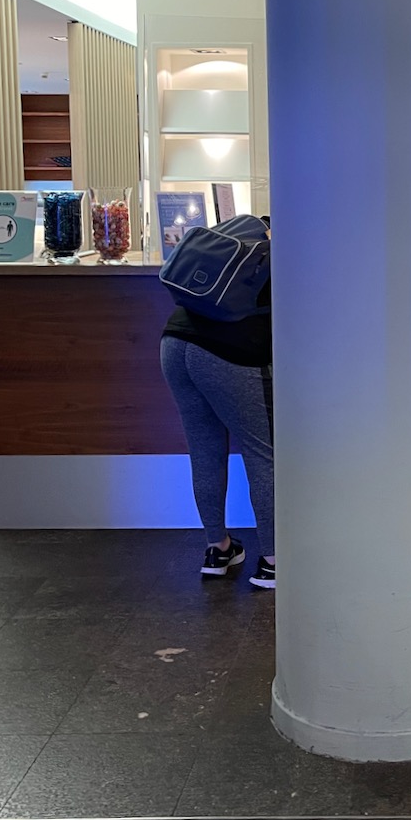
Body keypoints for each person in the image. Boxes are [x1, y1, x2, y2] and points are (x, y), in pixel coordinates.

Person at [159, 229, 275, 587]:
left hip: (175, 342)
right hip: (228, 352)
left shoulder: (241, 228)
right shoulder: (281, 253)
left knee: (205, 449)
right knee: (262, 453)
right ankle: (273, 560)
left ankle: (218, 547)